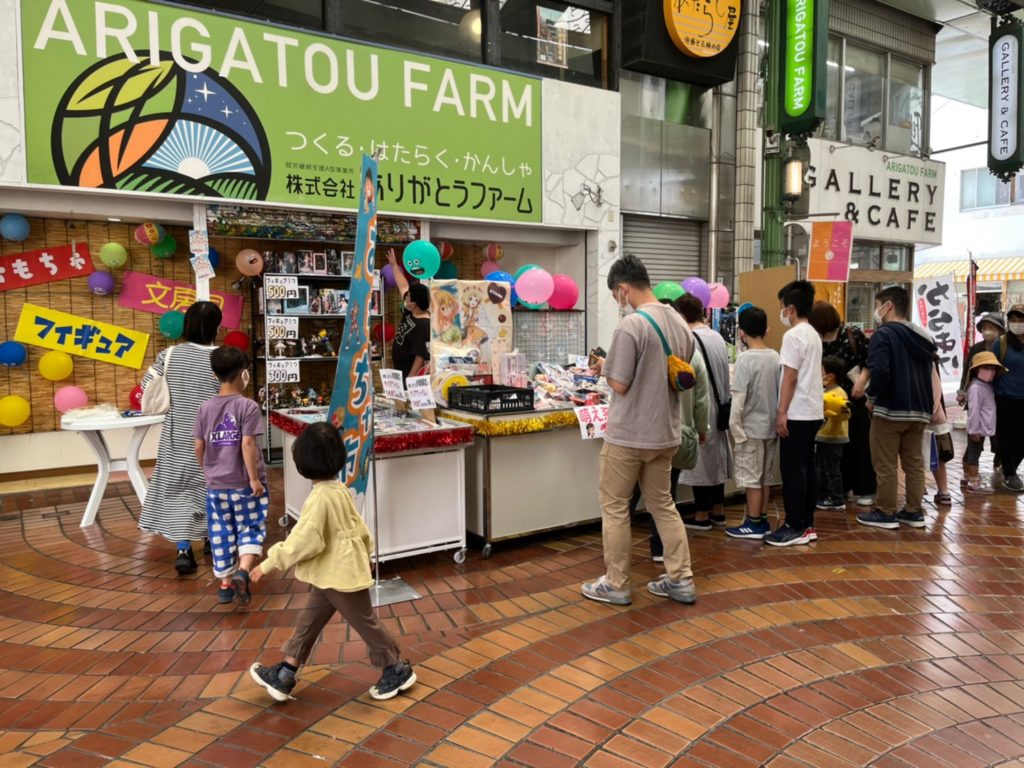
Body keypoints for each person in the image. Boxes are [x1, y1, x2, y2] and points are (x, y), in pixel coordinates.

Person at [249, 422, 415, 702]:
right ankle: (285, 674)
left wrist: (268, 563)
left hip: (341, 575)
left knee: (365, 623)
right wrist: (367, 552)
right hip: (332, 574)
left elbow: (304, 540)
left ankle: (396, 668)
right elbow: (359, 526)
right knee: (308, 622)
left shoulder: (319, 498)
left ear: (303, 464)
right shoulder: (339, 490)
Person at [584, 255, 697, 605]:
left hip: (629, 434)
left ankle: (616, 583)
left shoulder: (631, 325)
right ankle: (681, 579)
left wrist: (604, 368)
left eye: (617, 295)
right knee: (663, 504)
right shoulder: (679, 321)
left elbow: (619, 384)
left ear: (623, 288)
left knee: (616, 507)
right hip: (665, 432)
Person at [139, 301, 222, 575]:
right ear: (216, 327)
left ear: (186, 326)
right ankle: (212, 539)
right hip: (215, 437)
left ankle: (184, 549)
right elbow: (236, 391)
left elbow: (146, 386)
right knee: (214, 488)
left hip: (177, 435)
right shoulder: (223, 357)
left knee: (178, 491)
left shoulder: (169, 355)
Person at [193, 346, 268, 606]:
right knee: (250, 526)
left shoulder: (204, 408)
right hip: (244, 484)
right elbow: (247, 444)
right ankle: (243, 571)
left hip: (216, 484)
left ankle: (225, 585)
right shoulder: (248, 406)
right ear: (244, 374)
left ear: (215, 374)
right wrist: (254, 479)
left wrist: (207, 471)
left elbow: (198, 445)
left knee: (221, 531)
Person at [857, 286, 937, 530]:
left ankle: (885, 511)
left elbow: (880, 371)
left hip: (891, 409)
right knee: (914, 463)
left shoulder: (884, 334)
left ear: (888, 305)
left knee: (885, 463)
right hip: (920, 410)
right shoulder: (924, 337)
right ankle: (913, 512)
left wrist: (871, 395)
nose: (876, 310)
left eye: (878, 304)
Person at [766, 280, 823, 547]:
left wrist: (781, 412)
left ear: (791, 308)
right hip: (812, 411)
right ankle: (807, 523)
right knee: (807, 468)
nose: (781, 313)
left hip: (797, 412)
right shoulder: (813, 333)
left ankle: (795, 525)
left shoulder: (793, 336)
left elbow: (789, 377)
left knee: (792, 470)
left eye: (782, 308)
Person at [808, 301, 875, 507]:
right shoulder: (817, 339)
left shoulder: (852, 334)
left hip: (854, 398)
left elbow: (868, 361)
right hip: (829, 401)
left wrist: (862, 383)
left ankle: (866, 489)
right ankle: (840, 488)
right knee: (836, 446)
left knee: (860, 443)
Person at [677, 294, 732, 531]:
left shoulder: (690, 339)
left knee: (700, 462)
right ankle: (718, 510)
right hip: (721, 406)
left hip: (702, 406)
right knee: (716, 459)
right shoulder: (717, 336)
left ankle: (701, 514)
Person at [725, 307, 780, 540]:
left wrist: (735, 430)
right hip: (771, 427)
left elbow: (738, 399)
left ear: (741, 332)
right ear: (765, 329)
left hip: (750, 429)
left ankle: (753, 523)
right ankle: (763, 519)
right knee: (765, 477)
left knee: (751, 479)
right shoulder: (776, 356)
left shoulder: (745, 359)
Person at [958, 312, 1004, 485]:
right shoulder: (976, 348)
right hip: (981, 395)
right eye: (985, 328)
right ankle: (971, 476)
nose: (987, 331)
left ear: (1000, 330)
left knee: (997, 436)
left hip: (998, 395)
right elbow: (967, 370)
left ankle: (998, 462)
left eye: (991, 328)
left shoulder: (1005, 346)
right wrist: (963, 391)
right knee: (975, 444)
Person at [992, 304, 1024, 492]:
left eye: (1021, 320)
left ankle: (1009, 466)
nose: (1017, 323)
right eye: (1013, 320)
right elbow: (990, 367)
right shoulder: (1001, 343)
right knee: (1007, 436)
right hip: (1005, 398)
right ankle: (1010, 474)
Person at [963, 351, 1004, 494]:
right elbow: (973, 411)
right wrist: (974, 431)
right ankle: (974, 482)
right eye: (986, 368)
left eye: (993, 369)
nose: (990, 372)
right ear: (976, 369)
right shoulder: (976, 388)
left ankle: (967, 476)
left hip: (981, 428)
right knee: (974, 454)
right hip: (978, 429)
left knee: (970, 452)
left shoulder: (984, 385)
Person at [386, 248, 431, 380]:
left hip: (409, 375)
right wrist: (394, 266)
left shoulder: (424, 324)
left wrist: (410, 378)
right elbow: (403, 286)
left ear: (415, 303)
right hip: (400, 370)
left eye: (408, 297)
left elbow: (421, 355)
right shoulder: (410, 310)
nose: (405, 298)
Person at [815, 356, 851, 511]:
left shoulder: (839, 393)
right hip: (823, 436)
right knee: (822, 468)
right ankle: (824, 495)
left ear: (830, 376)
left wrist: (835, 413)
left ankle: (837, 499)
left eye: (820, 370)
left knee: (832, 470)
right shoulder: (824, 391)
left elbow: (846, 414)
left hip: (834, 438)